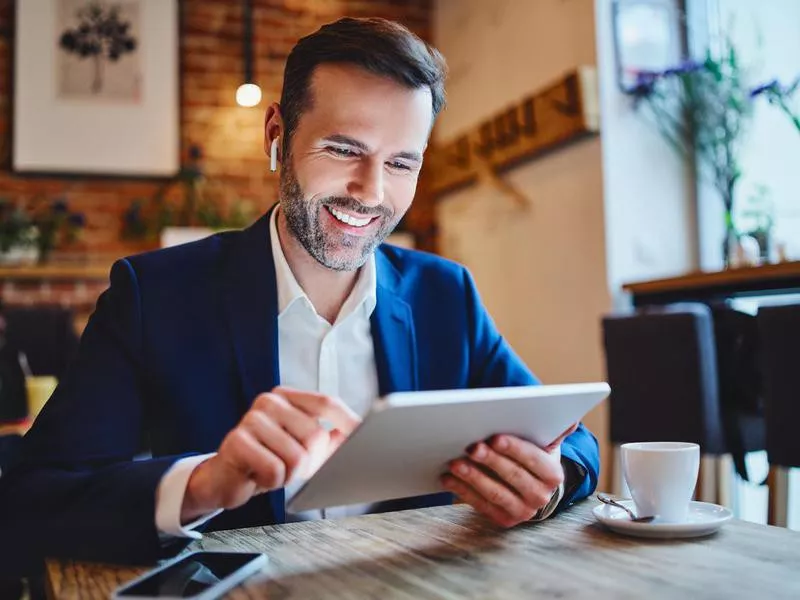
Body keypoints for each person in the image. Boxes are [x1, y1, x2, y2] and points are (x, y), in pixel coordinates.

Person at [0, 17, 599, 576]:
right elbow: (34, 494)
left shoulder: (446, 294)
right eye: (343, 149)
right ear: (277, 135)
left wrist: (549, 484)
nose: (371, 191)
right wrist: (204, 484)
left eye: (401, 163)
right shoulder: (153, 295)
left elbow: (567, 437)